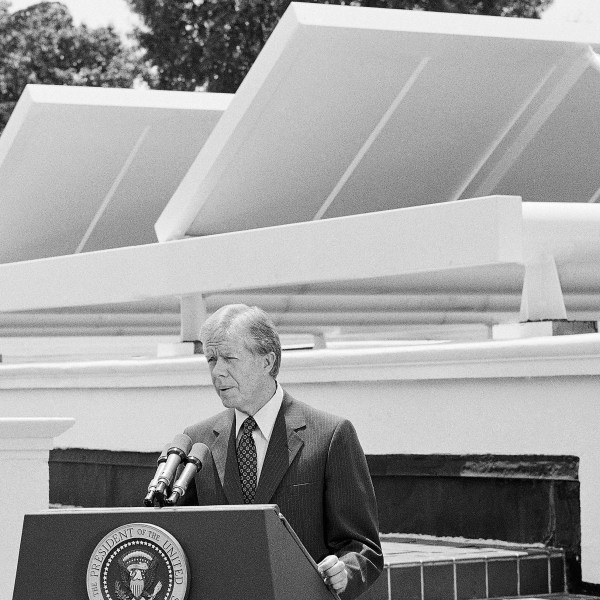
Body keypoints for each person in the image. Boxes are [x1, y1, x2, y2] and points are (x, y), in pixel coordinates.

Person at [183, 304, 383, 599]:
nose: (217, 371)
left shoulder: (330, 436)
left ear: (267, 361)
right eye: (211, 359)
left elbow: (363, 548)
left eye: (228, 358)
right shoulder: (196, 442)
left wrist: (344, 571)